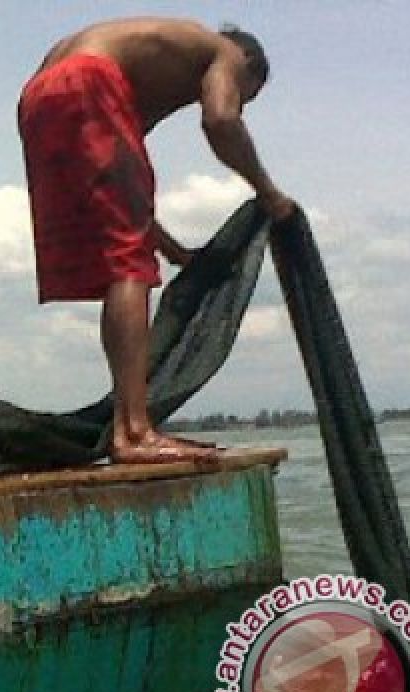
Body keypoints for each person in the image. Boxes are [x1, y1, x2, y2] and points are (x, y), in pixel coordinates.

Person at [18, 18, 295, 464]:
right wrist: (267, 191)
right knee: (127, 267)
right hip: (89, 80)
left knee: (120, 254)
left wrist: (169, 249)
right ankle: (134, 432)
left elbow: (122, 190)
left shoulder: (149, 71)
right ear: (247, 66)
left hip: (38, 96)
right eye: (248, 94)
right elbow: (221, 122)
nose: (240, 103)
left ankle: (128, 427)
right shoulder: (224, 53)